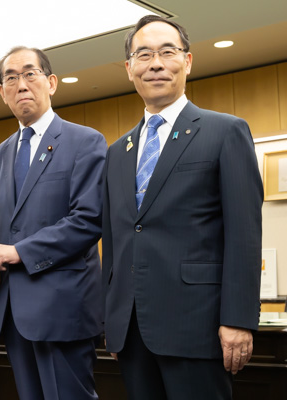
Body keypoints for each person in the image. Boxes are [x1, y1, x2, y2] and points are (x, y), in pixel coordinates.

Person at [102, 15, 263, 399]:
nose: (155, 63)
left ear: (187, 61)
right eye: (143, 54)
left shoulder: (225, 131)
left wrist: (238, 320)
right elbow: (115, 240)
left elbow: (244, 234)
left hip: (199, 326)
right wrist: (113, 318)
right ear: (129, 69)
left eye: (167, 52)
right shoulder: (117, 152)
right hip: (131, 330)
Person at [0, 46, 107, 400]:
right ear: (2, 93)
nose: (21, 85)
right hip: (14, 312)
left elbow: (88, 220)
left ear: (51, 83)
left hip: (63, 309)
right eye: (11, 78)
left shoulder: (86, 141)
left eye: (30, 74)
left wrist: (17, 252)